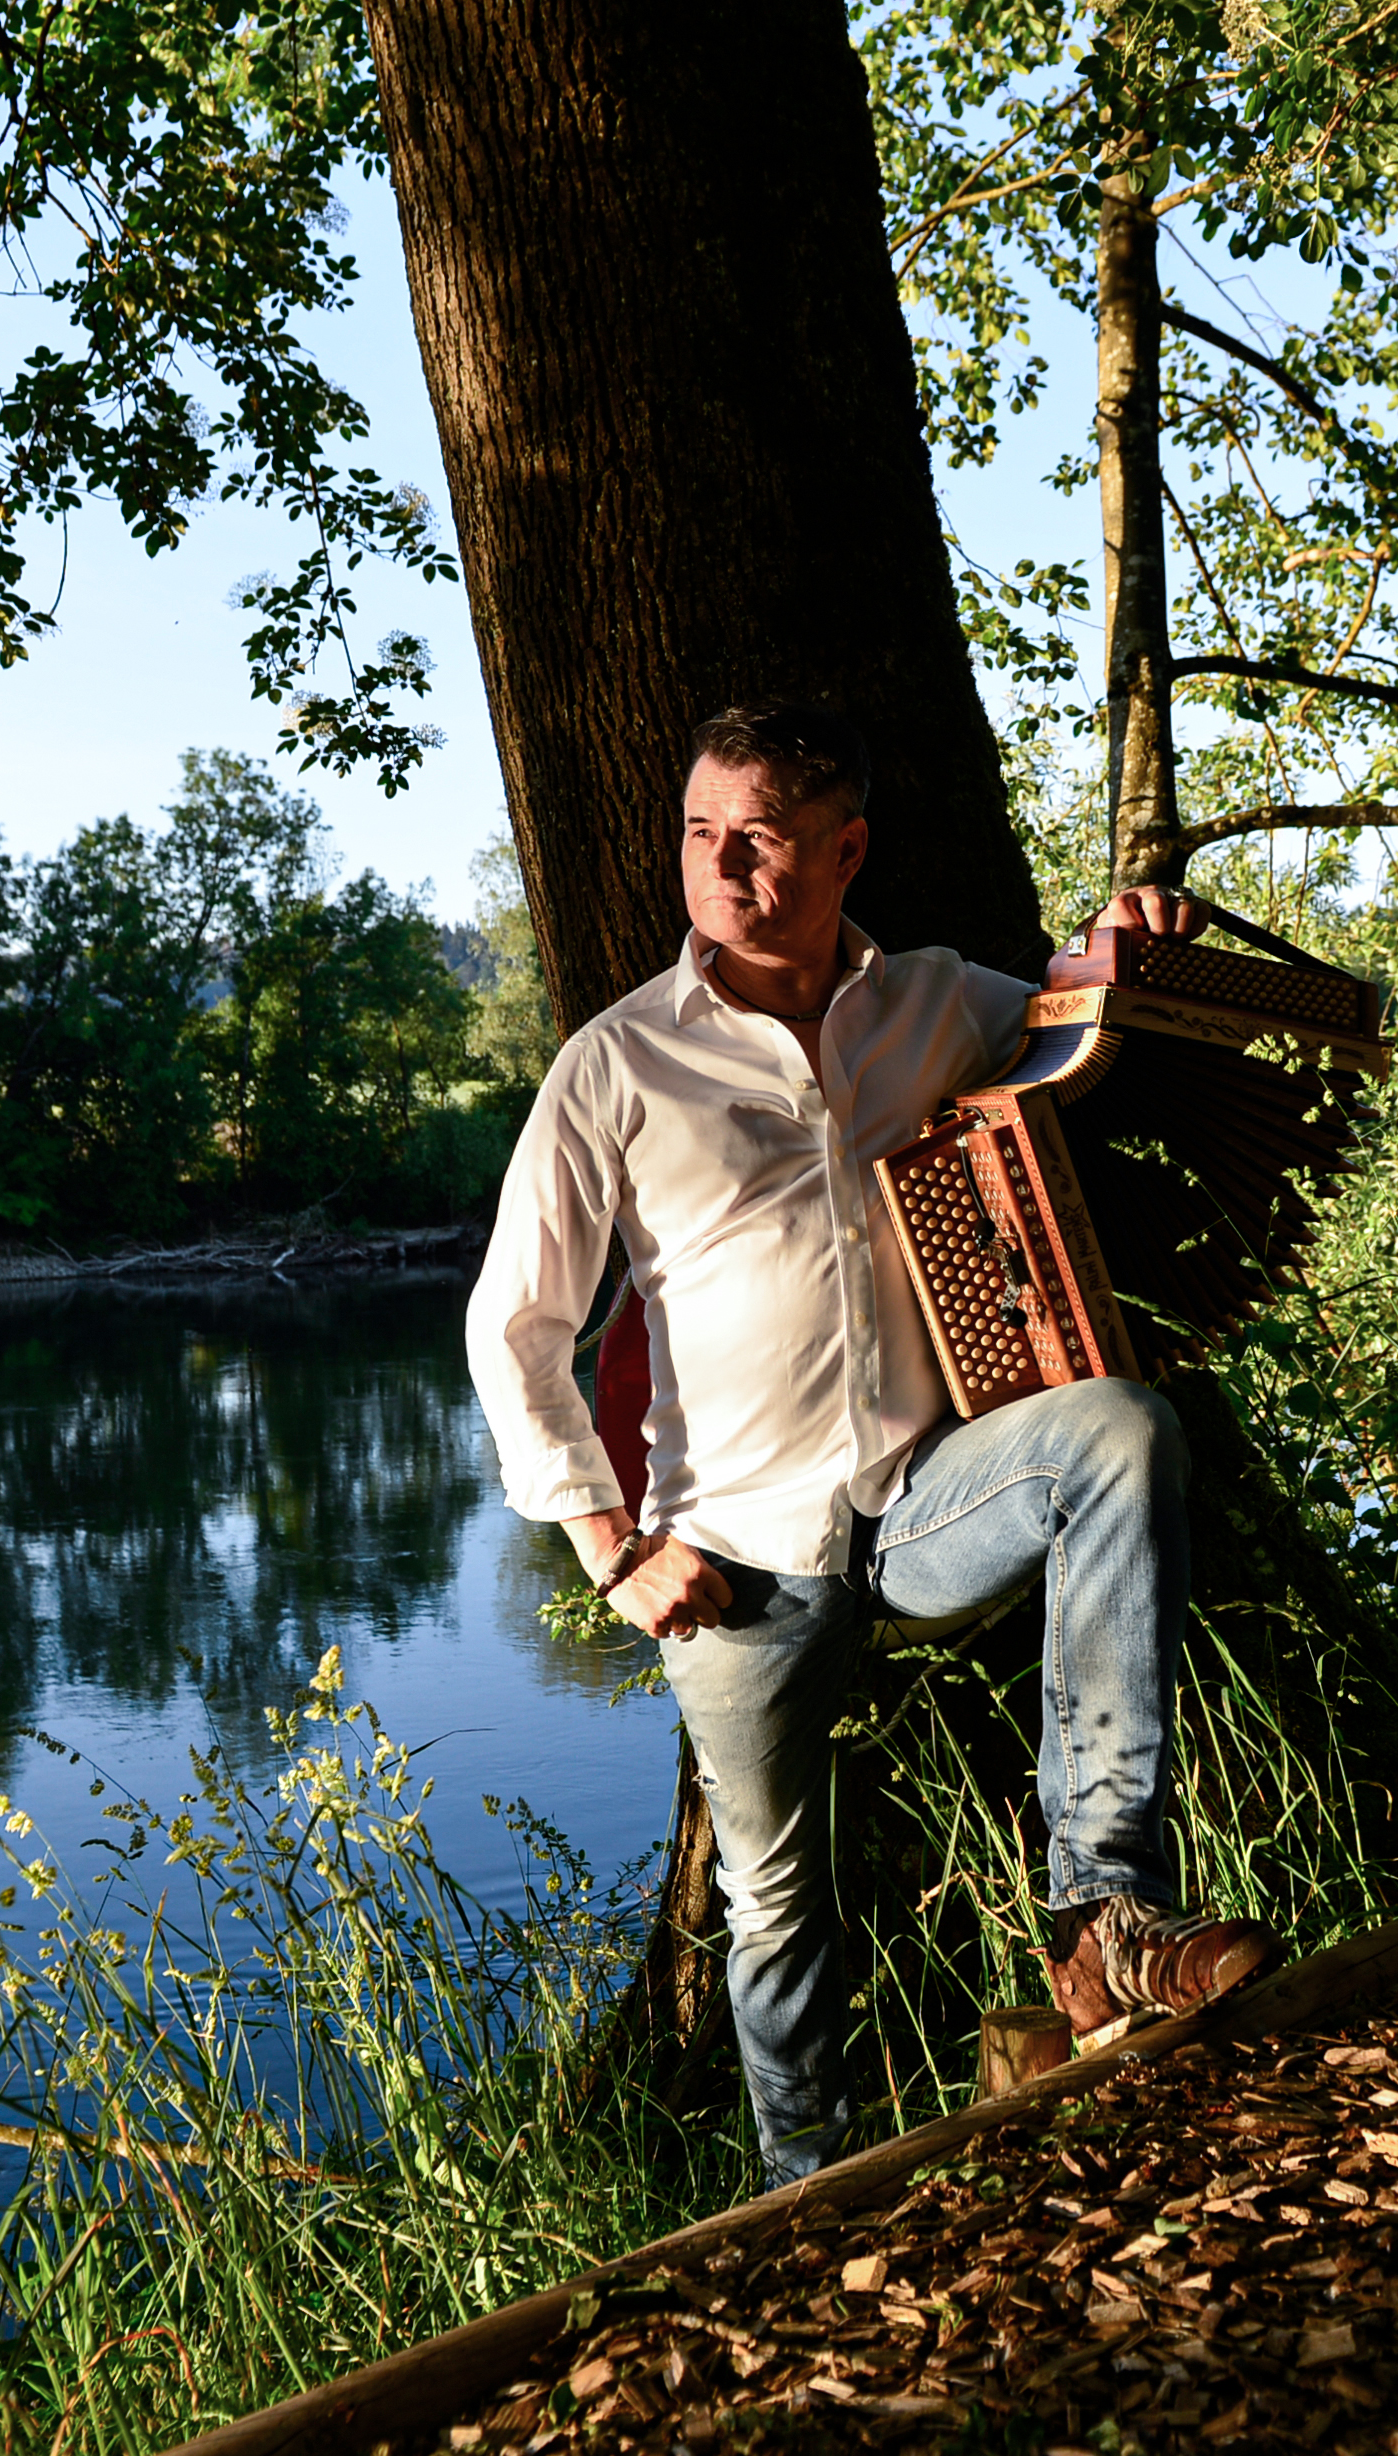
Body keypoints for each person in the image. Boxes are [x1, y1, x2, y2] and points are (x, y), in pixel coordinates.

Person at [464, 701, 1280, 2183]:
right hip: (728, 1557)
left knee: (1120, 1434)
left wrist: (1133, 940)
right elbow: (511, 1328)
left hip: (922, 1503)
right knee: (776, 1902)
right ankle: (808, 2195)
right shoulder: (616, 1063)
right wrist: (609, 1548)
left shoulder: (940, 1000)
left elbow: (1094, 1021)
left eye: (763, 842)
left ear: (845, 851)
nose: (726, 869)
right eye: (704, 835)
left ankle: (1102, 1923)